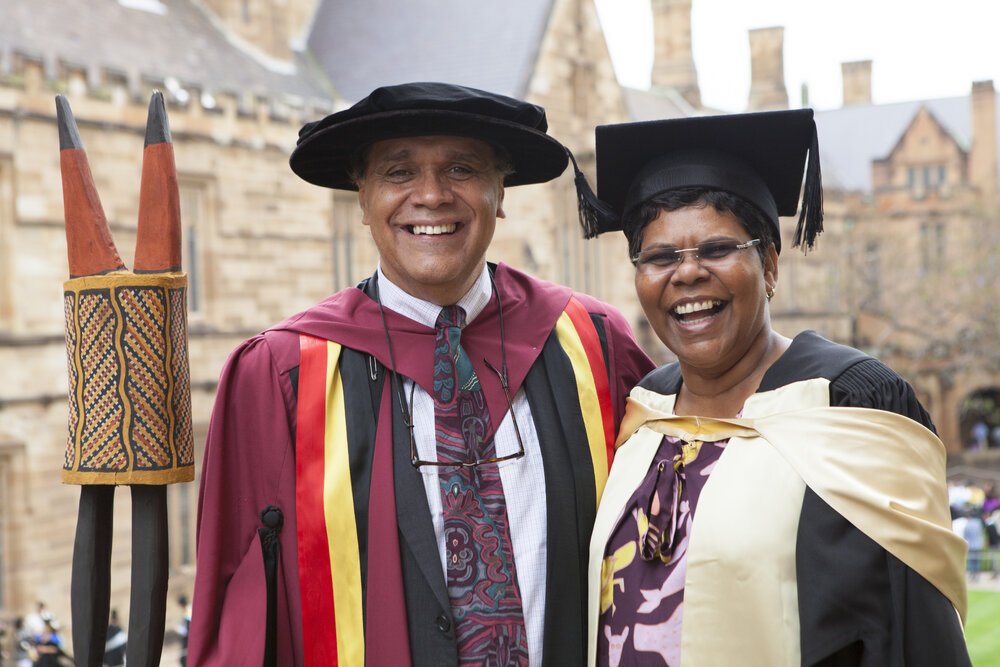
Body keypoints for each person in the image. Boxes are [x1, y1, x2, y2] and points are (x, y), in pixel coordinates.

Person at [190, 81, 654, 666]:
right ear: (361, 199)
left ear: (499, 191)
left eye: (460, 169)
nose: (431, 196)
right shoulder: (284, 374)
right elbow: (237, 601)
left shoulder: (594, 344)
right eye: (398, 172)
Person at [572, 110, 971, 665]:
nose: (686, 274)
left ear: (770, 266)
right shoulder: (643, 414)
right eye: (660, 257)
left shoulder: (849, 402)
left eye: (716, 249)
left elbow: (914, 631)